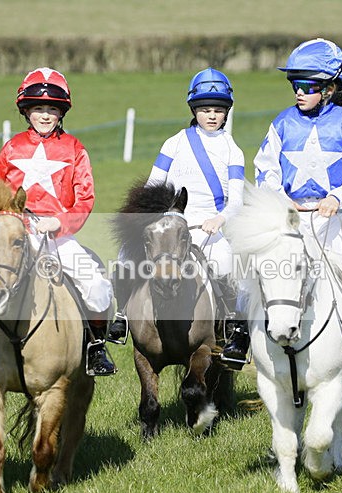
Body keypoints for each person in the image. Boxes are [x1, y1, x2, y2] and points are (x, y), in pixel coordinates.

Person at [0, 67, 117, 377]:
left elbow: (85, 199)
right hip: (14, 232)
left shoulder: (75, 149)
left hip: (58, 235)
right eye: (38, 108)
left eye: (52, 108)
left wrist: (59, 223)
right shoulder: (12, 148)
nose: (45, 115)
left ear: (61, 112)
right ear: (26, 111)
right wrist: (2, 219)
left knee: (97, 285)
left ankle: (95, 348)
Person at [254, 39, 342, 377]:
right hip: (290, 222)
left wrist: (338, 198)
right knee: (253, 273)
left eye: (307, 86)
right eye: (294, 85)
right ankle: (241, 336)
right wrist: (284, 202)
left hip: (335, 222)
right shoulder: (282, 123)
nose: (298, 92)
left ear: (329, 89)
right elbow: (264, 168)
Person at [106, 67, 250, 370]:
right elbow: (152, 185)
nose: (211, 115)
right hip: (170, 224)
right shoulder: (174, 143)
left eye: (218, 110)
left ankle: (231, 328)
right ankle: (121, 316)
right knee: (123, 258)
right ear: (194, 110)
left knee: (225, 263)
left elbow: (236, 201)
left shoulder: (232, 150)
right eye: (205, 109)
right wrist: (152, 218)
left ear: (226, 112)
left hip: (209, 227)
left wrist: (219, 220)